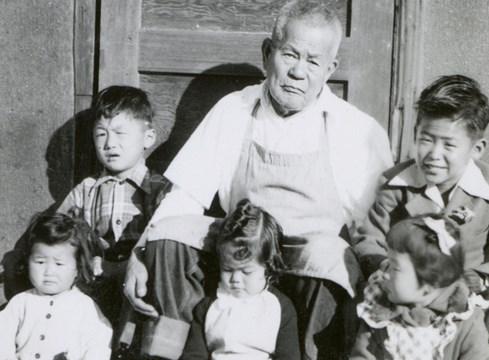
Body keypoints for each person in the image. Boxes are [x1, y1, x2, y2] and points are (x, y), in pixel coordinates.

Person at [121, 1, 392, 359]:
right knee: (169, 234)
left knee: (331, 256)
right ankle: (167, 352)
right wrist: (140, 253)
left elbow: (372, 227)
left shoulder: (356, 129)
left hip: (305, 260)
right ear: (268, 53)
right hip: (239, 247)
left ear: (330, 69)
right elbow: (184, 196)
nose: (298, 72)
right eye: (290, 54)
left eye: (313, 61)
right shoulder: (234, 109)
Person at [352, 75, 489, 360]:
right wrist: (396, 271)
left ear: (476, 149)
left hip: (467, 297)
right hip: (410, 295)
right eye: (426, 140)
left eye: (449, 145)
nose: (433, 155)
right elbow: (368, 241)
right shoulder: (395, 184)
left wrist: (477, 279)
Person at [55, 85, 172, 324]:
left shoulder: (160, 188)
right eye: (101, 134)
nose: (110, 144)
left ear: (148, 138)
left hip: (141, 278)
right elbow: (58, 232)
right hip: (97, 281)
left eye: (121, 133)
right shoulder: (86, 190)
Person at [350, 217, 489, 360]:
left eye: (395, 268)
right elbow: (363, 354)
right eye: (388, 265)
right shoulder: (380, 311)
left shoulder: (463, 321)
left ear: (429, 285)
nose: (385, 275)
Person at [180, 199, 299, 360]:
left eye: (246, 272)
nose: (235, 279)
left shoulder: (279, 307)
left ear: (268, 267)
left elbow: (289, 356)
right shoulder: (208, 307)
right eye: (228, 270)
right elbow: (193, 355)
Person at [0, 213, 112, 360]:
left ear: (77, 267)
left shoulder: (85, 307)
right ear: (28, 262)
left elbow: (99, 344)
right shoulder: (20, 302)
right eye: (40, 262)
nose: (49, 272)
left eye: (59, 264)